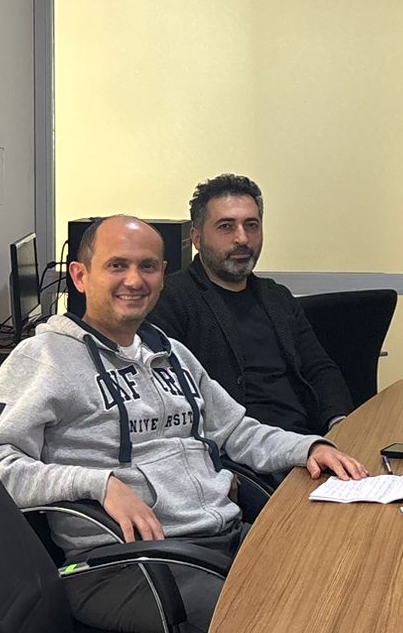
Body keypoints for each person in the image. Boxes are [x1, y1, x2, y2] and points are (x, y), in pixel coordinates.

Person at [0, 214, 367, 633]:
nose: (134, 280)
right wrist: (99, 484)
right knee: (288, 630)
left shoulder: (169, 352)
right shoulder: (43, 358)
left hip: (218, 540)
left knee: (346, 580)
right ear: (81, 276)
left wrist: (308, 448)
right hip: (128, 566)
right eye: (117, 265)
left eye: (147, 266)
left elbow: (235, 430)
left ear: (162, 275)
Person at [147, 173, 354, 437]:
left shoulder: (277, 297)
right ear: (197, 239)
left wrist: (339, 425)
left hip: (307, 441)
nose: (242, 238)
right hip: (234, 450)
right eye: (226, 226)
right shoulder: (171, 299)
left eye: (252, 225)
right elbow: (172, 400)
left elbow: (320, 369)